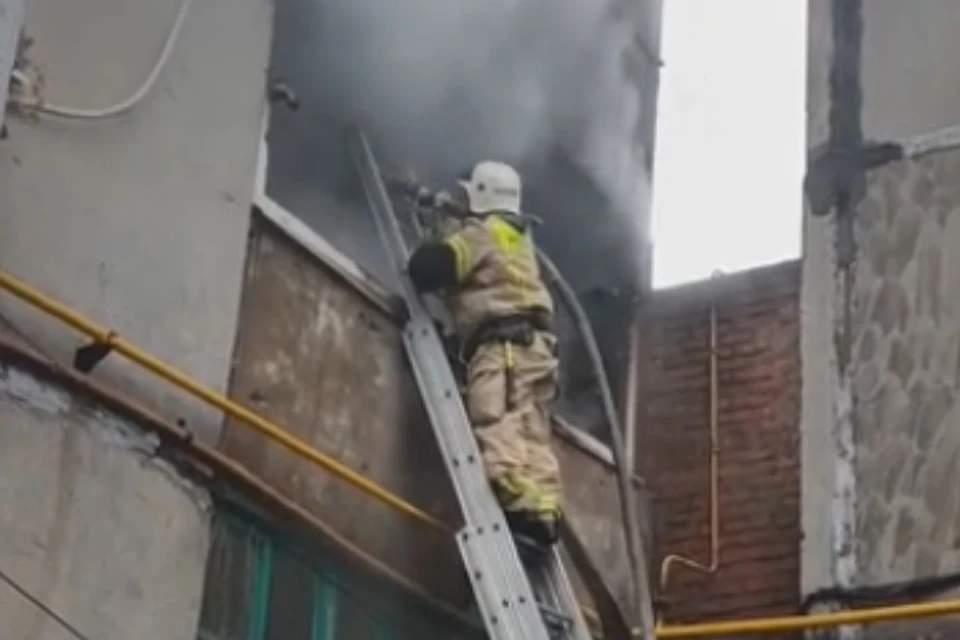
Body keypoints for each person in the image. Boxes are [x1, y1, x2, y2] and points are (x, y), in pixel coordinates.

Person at [406, 161, 563, 546]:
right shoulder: (516, 237)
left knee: (498, 421)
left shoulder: (483, 233)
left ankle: (519, 512)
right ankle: (543, 514)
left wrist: (428, 247)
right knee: (531, 433)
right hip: (536, 350)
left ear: (481, 194)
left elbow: (440, 266)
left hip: (502, 349)